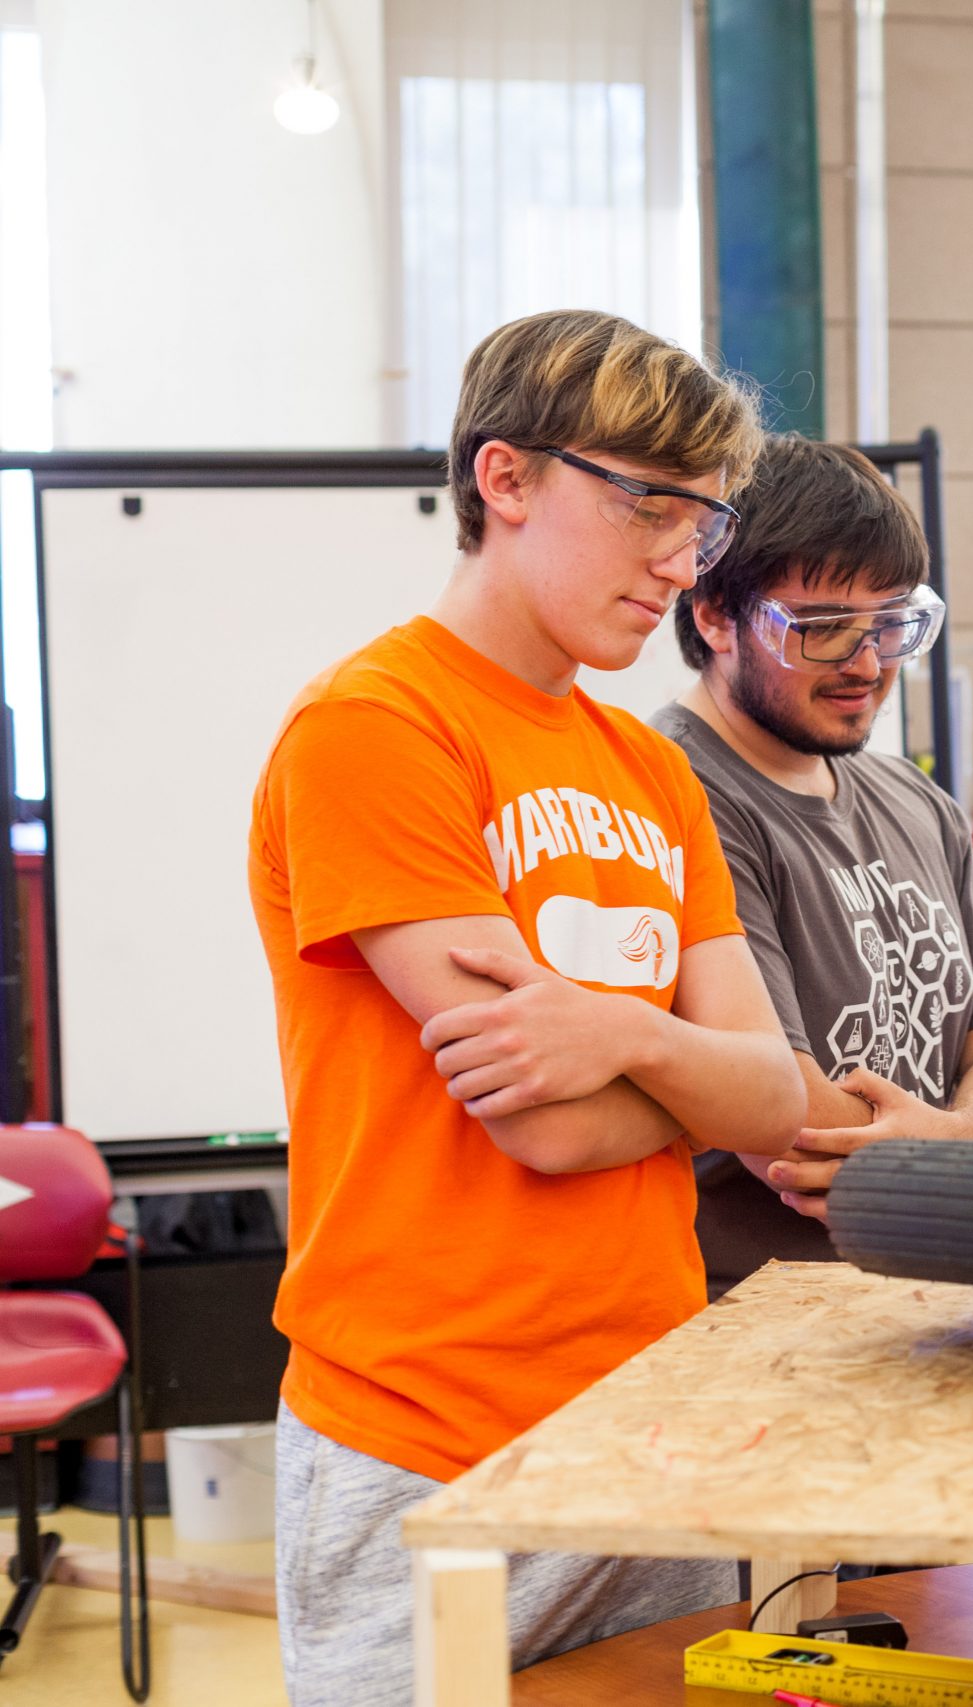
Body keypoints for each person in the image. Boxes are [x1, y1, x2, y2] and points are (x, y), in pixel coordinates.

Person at [250, 309, 807, 1703]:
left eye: (708, 521)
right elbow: (545, 1129)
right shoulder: (376, 728)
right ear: (505, 478)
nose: (684, 559)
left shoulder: (652, 767)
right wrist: (698, 1079)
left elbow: (780, 1095)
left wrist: (618, 1030)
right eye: (652, 506)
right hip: (425, 1438)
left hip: (643, 1420)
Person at [651, 435, 973, 1295]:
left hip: (927, 1293)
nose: (869, 666)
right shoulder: (671, 792)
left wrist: (945, 1143)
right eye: (825, 630)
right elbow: (784, 1128)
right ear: (714, 614)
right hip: (753, 1323)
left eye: (892, 624)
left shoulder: (913, 799)